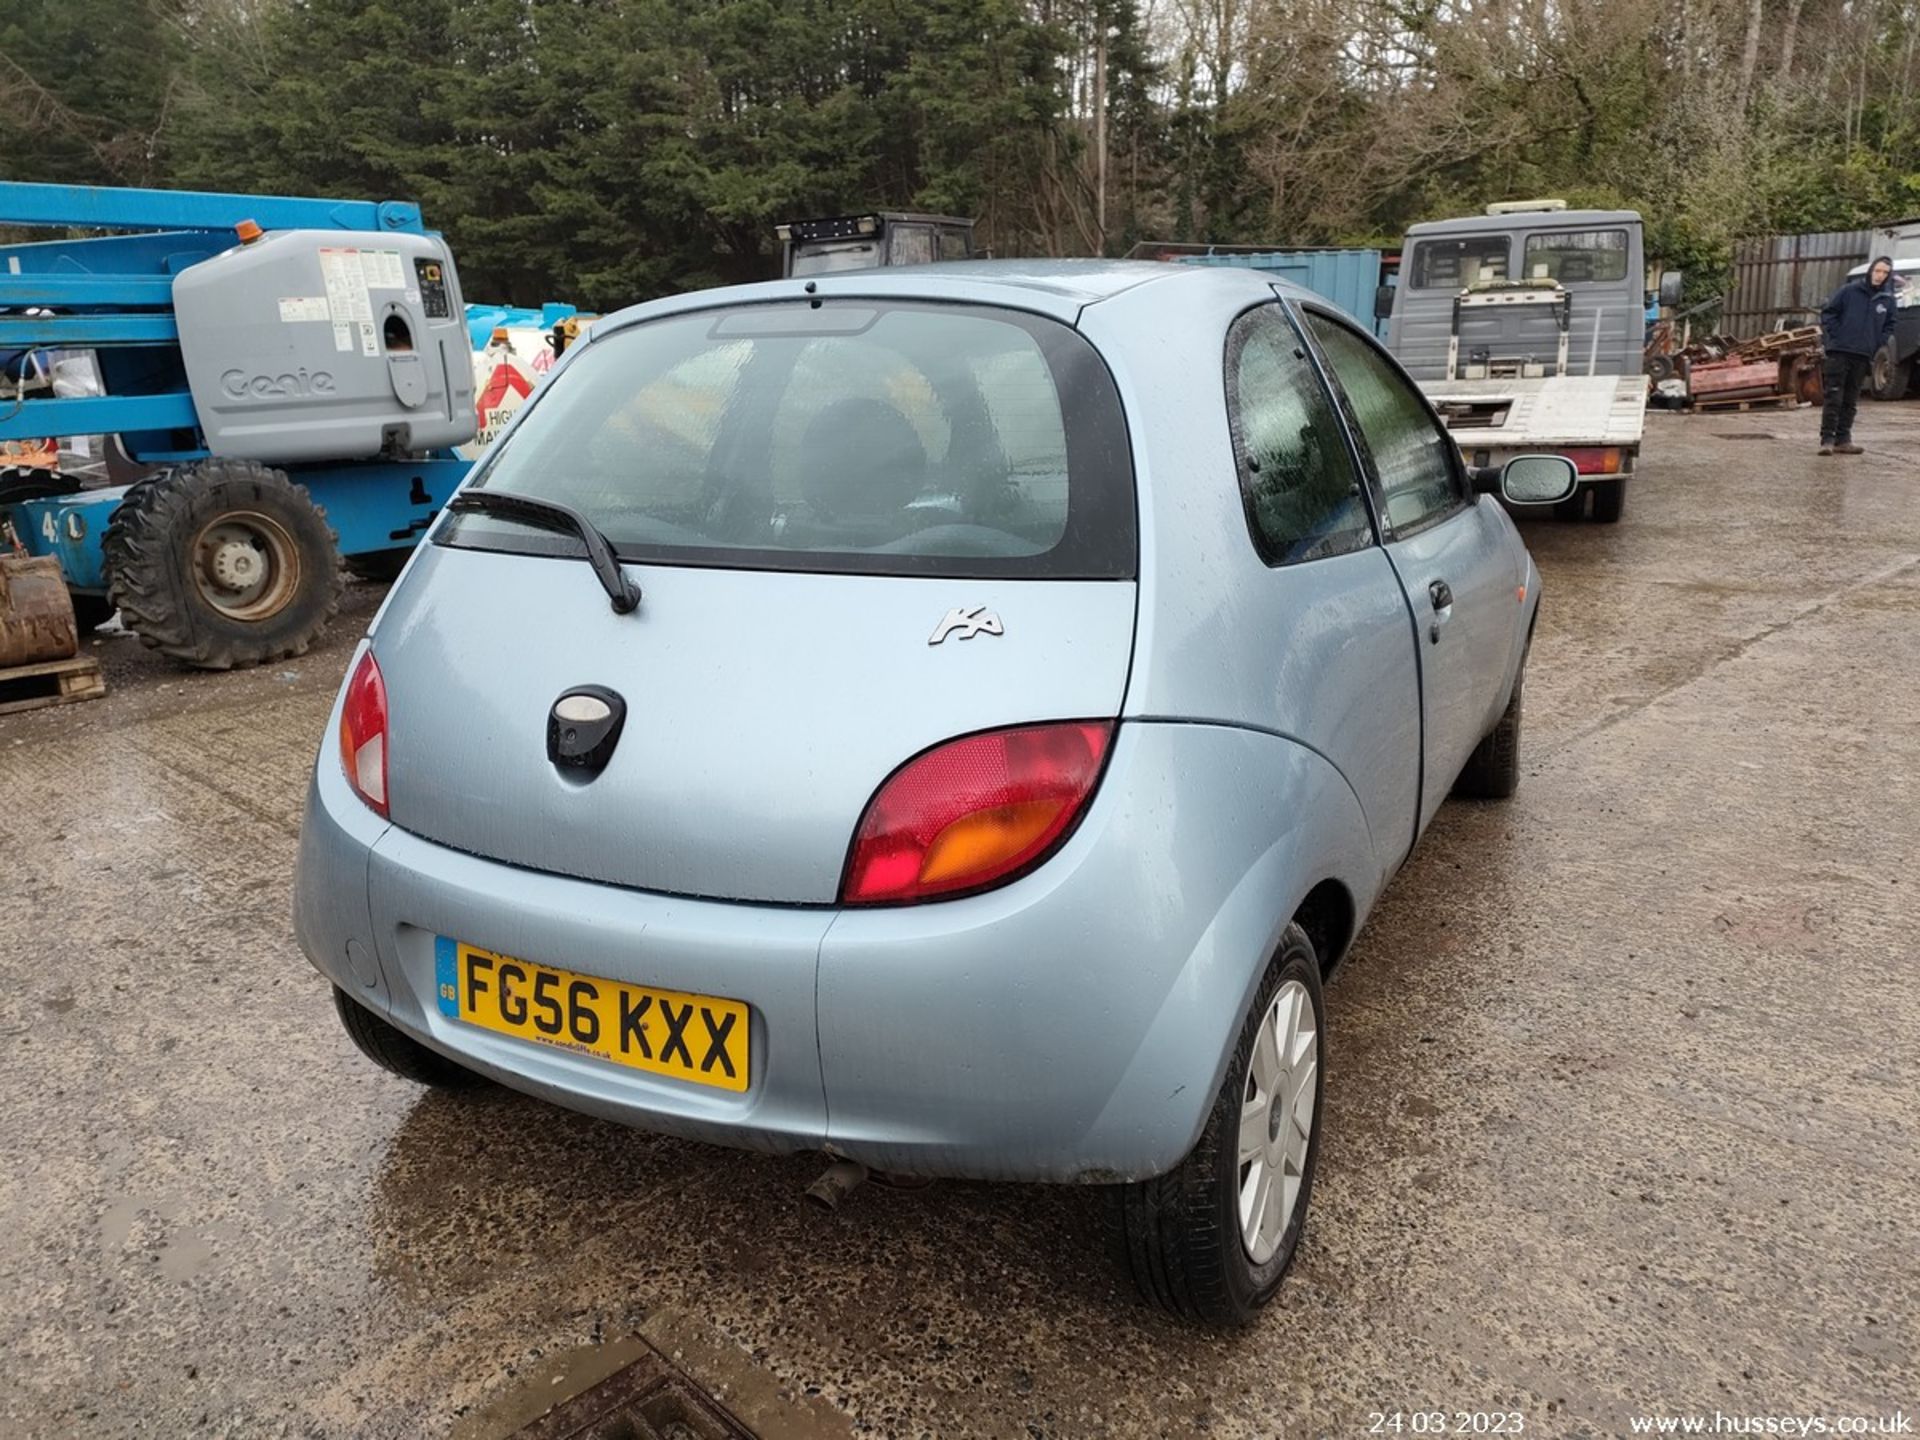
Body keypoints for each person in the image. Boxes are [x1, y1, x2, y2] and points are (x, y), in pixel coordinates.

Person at [1817, 256, 1898, 455]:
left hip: (1862, 355)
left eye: (1885, 272)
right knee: (1834, 396)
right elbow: (1829, 314)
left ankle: (1843, 439)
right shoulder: (1849, 291)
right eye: (1877, 271)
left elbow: (1890, 325)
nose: (1880, 276)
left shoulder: (1887, 300)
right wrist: (1836, 337)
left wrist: (1877, 342)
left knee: (1851, 399)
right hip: (1840, 352)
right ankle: (1827, 439)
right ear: (1871, 271)